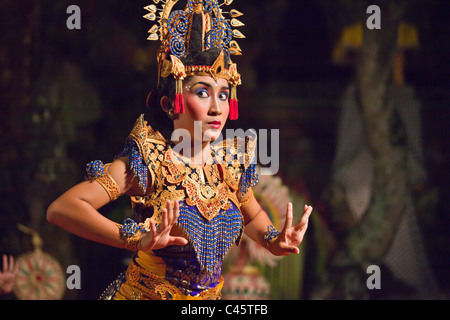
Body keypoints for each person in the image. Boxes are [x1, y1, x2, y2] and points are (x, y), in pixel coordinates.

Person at [47, 0, 312, 300]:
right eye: (202, 92)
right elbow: (63, 209)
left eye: (224, 95)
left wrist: (275, 241)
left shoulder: (230, 164)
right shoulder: (149, 162)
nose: (217, 107)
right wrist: (137, 239)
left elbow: (251, 218)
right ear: (170, 103)